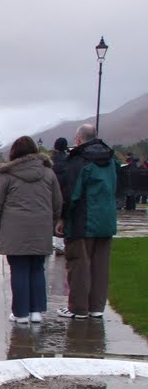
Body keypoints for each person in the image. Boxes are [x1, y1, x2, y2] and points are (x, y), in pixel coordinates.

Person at [0, 135, 63, 324]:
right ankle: (36, 311)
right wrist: (50, 223)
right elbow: (57, 203)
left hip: (14, 229)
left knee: (19, 269)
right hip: (41, 228)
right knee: (37, 268)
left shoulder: (6, 175)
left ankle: (20, 313)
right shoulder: (48, 174)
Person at [55, 123, 120, 319]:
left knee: (79, 264)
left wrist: (62, 218)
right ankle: (96, 307)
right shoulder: (111, 160)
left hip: (82, 220)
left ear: (78, 140)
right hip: (106, 220)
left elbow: (70, 194)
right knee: (101, 266)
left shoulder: (78, 161)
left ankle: (78, 308)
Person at [50, 137, 69, 254]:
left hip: (50, 192)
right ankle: (59, 244)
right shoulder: (69, 161)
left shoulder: (49, 161)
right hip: (64, 192)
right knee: (61, 218)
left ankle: (47, 243)